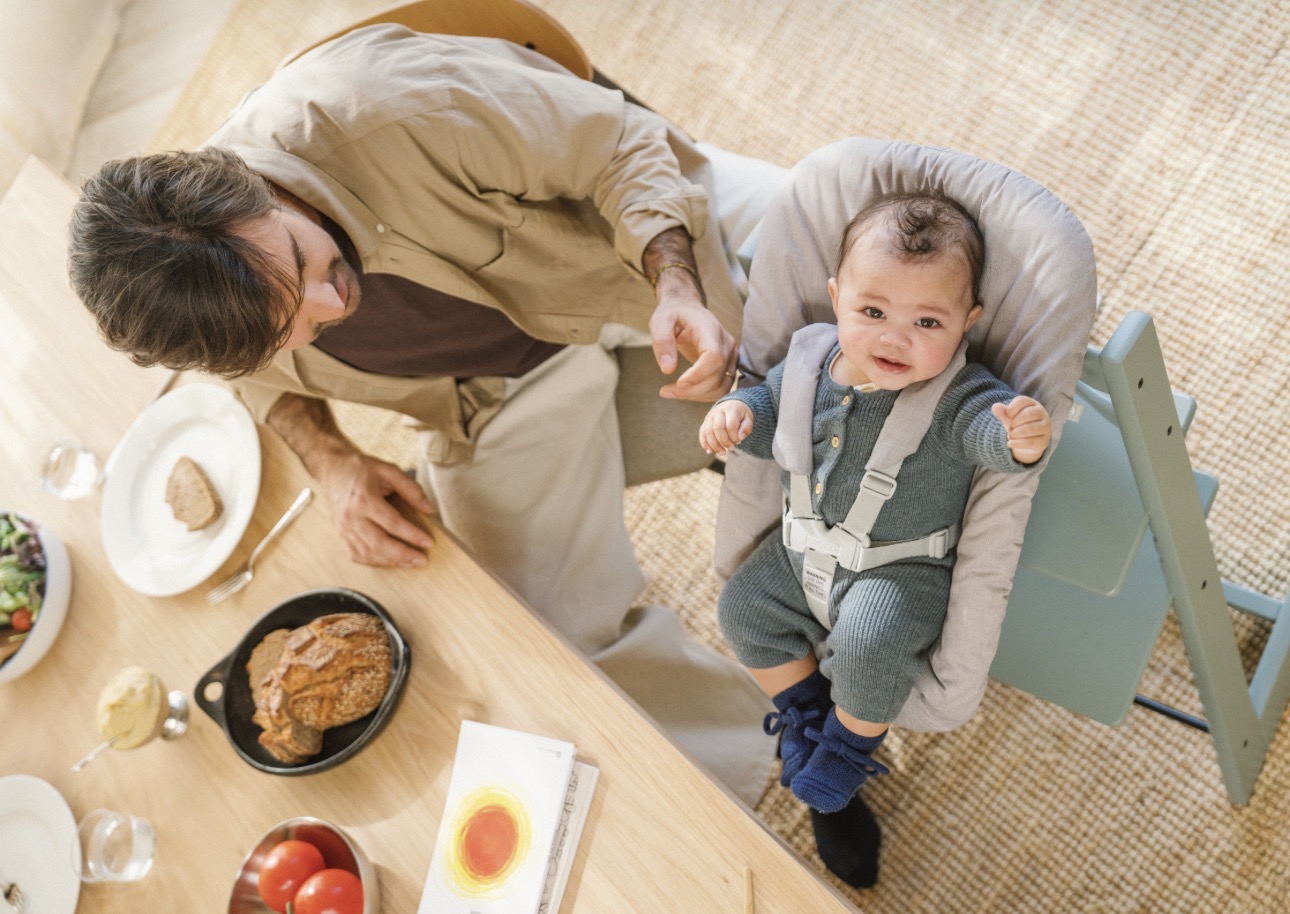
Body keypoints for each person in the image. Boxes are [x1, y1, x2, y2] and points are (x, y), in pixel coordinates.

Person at [66, 24, 788, 806]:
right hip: (499, 389)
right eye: (290, 329)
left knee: (859, 273)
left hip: (639, 253)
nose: (331, 303)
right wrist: (333, 460)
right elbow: (261, 387)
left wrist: (675, 283)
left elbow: (623, 144)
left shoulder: (389, 102)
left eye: (304, 261)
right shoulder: (219, 322)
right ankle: (783, 749)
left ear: (254, 187)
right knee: (531, 635)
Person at [699, 192, 1052, 814]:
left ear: (967, 322)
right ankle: (806, 712)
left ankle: (846, 749)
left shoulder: (957, 393)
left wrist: (1017, 438)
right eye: (872, 311)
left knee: (870, 646)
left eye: (928, 323)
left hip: (898, 570)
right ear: (837, 299)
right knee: (743, 611)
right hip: (799, 549)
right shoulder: (809, 362)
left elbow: (986, 431)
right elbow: (770, 412)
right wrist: (737, 417)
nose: (895, 338)